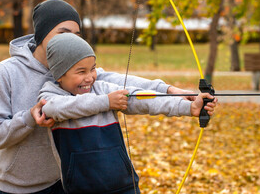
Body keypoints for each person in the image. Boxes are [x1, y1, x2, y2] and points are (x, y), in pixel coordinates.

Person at [0, 0, 218, 194]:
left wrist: (172, 92)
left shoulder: (83, 73)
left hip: (68, 183)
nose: (71, 41)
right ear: (41, 34)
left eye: (77, 35)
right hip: (20, 187)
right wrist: (29, 118)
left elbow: (128, 87)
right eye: (63, 33)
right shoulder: (8, 72)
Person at [37, 33, 216, 194]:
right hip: (80, 188)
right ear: (59, 74)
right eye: (81, 71)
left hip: (123, 184)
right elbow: (55, 108)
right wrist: (106, 102)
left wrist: (187, 107)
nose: (90, 77)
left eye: (92, 69)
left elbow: (141, 98)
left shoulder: (102, 88)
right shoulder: (51, 95)